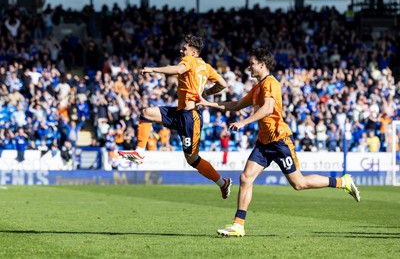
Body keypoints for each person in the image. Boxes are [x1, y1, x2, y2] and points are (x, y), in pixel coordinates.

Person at [197, 48, 361, 237]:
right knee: (245, 178)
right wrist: (207, 103)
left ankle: (343, 182)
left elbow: (267, 109)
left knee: (299, 183)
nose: (248, 66)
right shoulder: (257, 86)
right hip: (264, 142)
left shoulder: (271, 83)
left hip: (279, 140)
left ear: (262, 64)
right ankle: (238, 225)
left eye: (251, 63)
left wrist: (244, 122)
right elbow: (236, 105)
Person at [118, 34, 232, 199]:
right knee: (146, 112)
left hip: (190, 118)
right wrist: (205, 93)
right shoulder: (206, 67)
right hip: (179, 112)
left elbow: (178, 70)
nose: (181, 50)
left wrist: (152, 69)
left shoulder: (189, 61)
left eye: (184, 48)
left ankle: (223, 183)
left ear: (193, 52)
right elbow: (223, 84)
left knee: (192, 159)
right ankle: (139, 153)